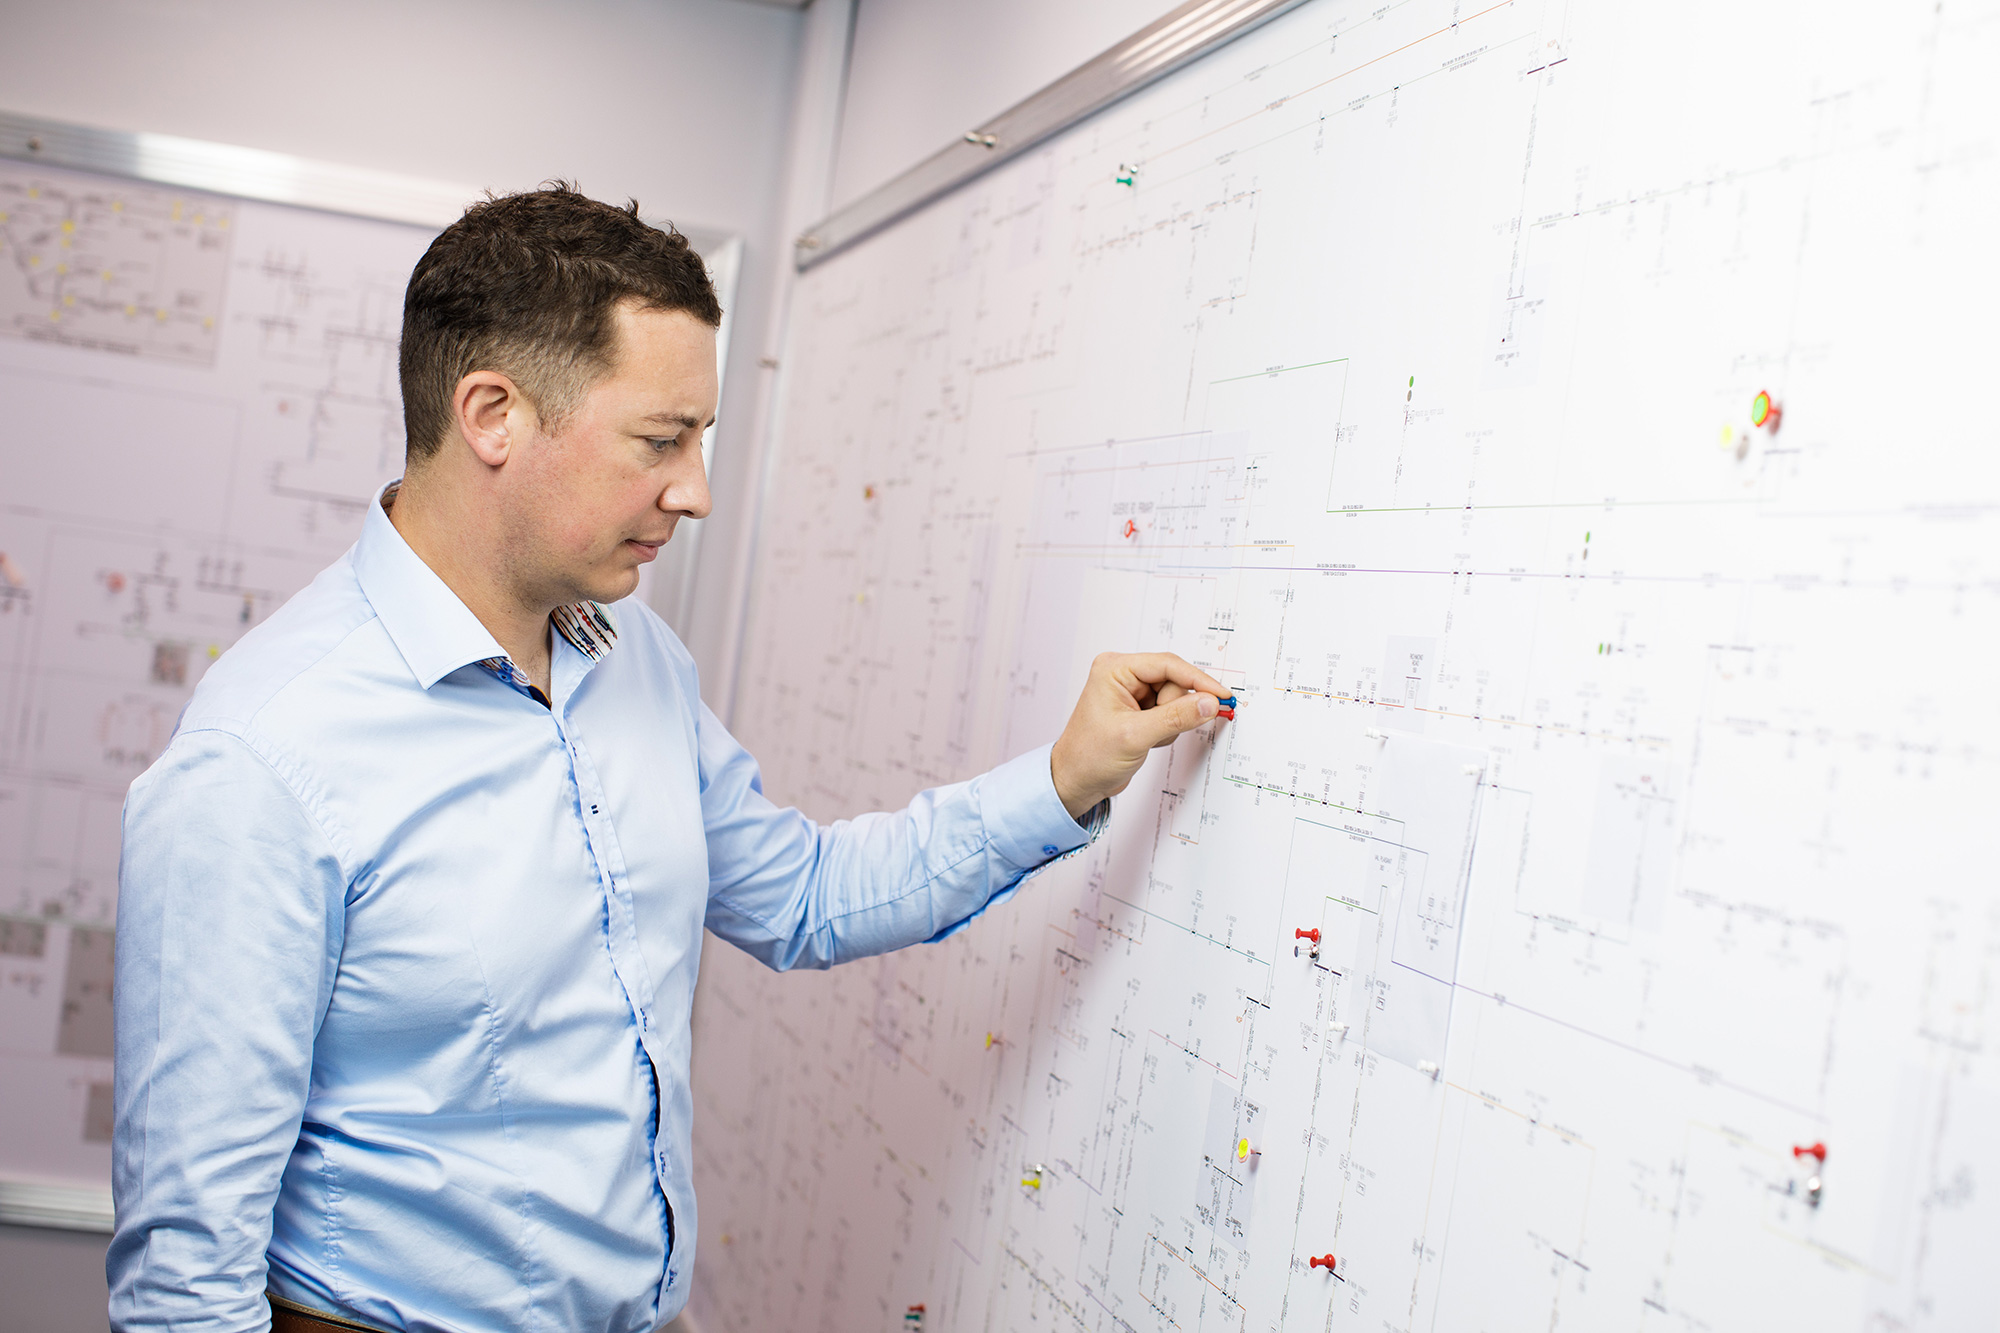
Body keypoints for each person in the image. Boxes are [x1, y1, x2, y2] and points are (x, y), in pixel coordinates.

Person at [107, 184, 1227, 1333]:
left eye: (698, 439)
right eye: (660, 439)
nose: (693, 491)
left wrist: (1065, 775)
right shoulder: (262, 761)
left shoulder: (632, 655)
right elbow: (183, 1279)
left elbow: (803, 897)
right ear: (492, 415)